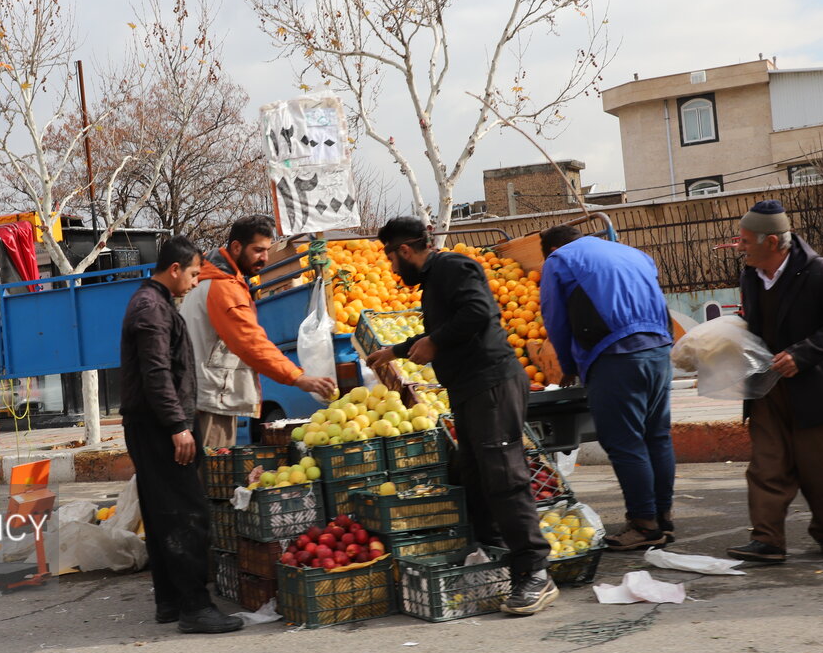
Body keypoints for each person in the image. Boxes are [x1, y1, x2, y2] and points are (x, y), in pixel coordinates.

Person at [366, 217, 556, 616]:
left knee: (504, 475)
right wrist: (397, 351)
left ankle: (536, 571)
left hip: (491, 383)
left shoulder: (454, 267)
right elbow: (451, 324)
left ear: (403, 250)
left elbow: (478, 312)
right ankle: (496, 555)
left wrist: (433, 342)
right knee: (472, 472)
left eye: (389, 255)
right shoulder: (436, 279)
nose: (390, 266)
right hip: (471, 388)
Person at [120, 235, 243, 633]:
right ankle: (194, 606)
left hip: (151, 424)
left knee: (160, 514)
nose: (194, 282)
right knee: (187, 513)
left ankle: (169, 602)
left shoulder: (154, 303)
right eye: (192, 274)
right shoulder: (151, 308)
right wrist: (178, 426)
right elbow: (156, 373)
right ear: (174, 269)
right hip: (158, 427)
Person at [726, 199, 823, 563]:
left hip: (815, 389)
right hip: (768, 388)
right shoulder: (751, 275)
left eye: (745, 241)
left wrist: (802, 354)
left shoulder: (817, 271)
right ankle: (768, 540)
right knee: (767, 466)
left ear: (771, 243)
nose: (740, 248)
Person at [538, 225, 676, 551]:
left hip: (615, 356)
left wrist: (569, 367)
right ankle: (663, 518)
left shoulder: (559, 260)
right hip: (658, 350)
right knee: (657, 436)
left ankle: (644, 525)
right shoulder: (633, 253)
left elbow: (555, 317)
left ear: (552, 248)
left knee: (625, 442)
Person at [179, 214, 336, 448]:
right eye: (258, 250)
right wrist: (297, 377)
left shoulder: (209, 278)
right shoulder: (223, 286)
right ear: (236, 247)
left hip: (202, 393)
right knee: (213, 476)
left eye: (267, 250)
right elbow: (250, 342)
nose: (264, 258)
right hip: (211, 397)